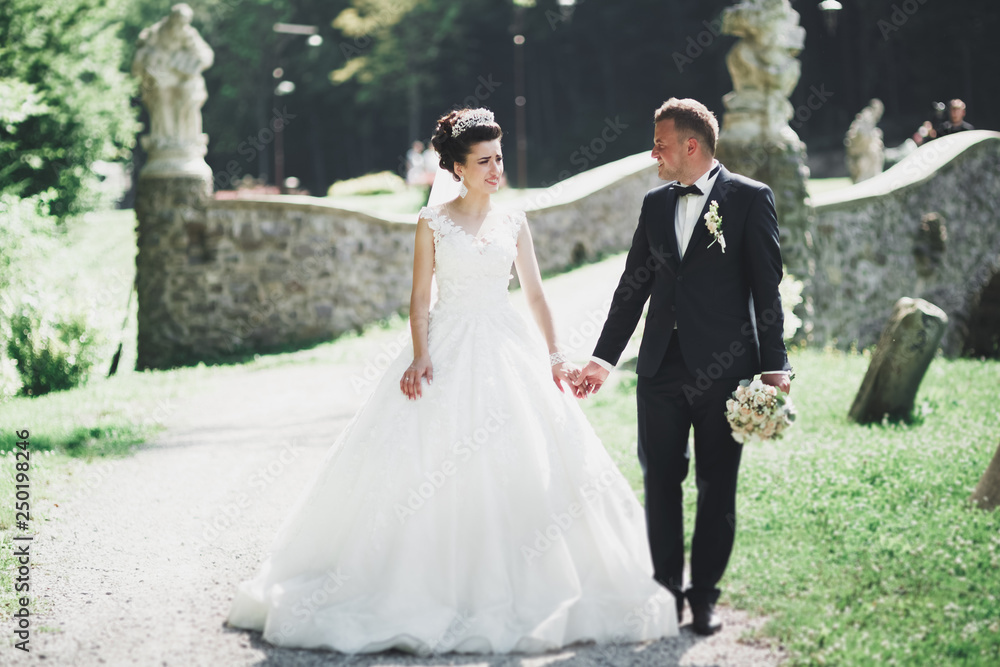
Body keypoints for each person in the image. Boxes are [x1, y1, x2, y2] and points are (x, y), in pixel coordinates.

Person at [225, 107, 678, 654]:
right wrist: (420, 358)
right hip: (447, 344)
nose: (496, 169)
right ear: (458, 168)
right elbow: (420, 302)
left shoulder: (515, 221)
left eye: (499, 158)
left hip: (507, 344)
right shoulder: (432, 222)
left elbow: (534, 294)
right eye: (484, 161)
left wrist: (557, 355)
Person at [574, 98, 792, 636]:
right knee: (660, 481)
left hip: (726, 371)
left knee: (718, 487)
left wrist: (775, 367)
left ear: (690, 145)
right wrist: (603, 357)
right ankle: (666, 594)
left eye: (661, 144)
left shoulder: (748, 199)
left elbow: (767, 289)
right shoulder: (653, 205)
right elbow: (632, 289)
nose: (654, 154)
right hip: (658, 372)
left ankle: (705, 599)